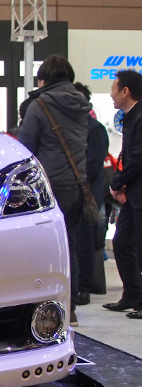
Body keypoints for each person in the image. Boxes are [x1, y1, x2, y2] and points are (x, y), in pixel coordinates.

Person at [18, 55, 91, 327]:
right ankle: (70, 309)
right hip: (76, 185)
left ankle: (41, 310)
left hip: (47, 187)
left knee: (39, 250)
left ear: (43, 80)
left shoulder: (38, 106)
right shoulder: (81, 106)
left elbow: (26, 149)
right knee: (69, 247)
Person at [103, 70, 142, 318]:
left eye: (114, 89)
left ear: (125, 91)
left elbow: (138, 157)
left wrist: (117, 183)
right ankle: (132, 295)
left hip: (137, 192)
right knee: (122, 242)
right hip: (133, 192)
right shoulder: (130, 117)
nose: (111, 94)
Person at [74, 82, 109, 303]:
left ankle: (84, 286)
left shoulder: (95, 129)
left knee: (86, 239)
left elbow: (93, 164)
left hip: (88, 195)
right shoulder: (67, 127)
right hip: (70, 192)